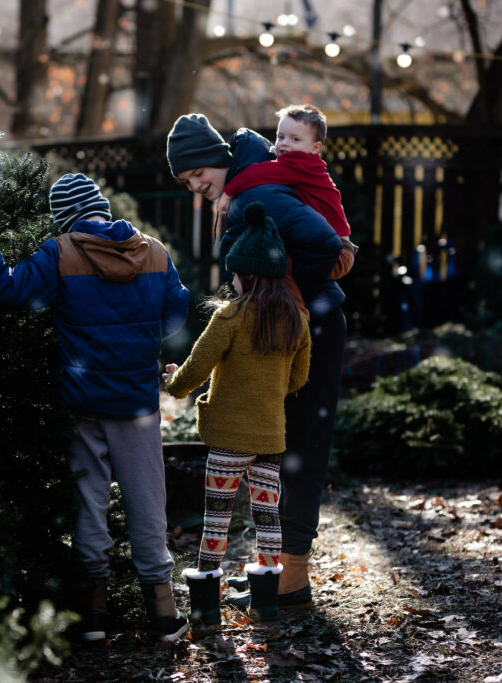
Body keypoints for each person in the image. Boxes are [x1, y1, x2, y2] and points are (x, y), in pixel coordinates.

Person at [0, 172, 191, 643]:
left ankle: (94, 615)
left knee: (89, 504)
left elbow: (7, 289)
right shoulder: (156, 253)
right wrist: (138, 344)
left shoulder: (59, 253)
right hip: (138, 405)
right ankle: (164, 613)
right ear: (102, 208)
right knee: (147, 504)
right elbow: (177, 314)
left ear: (65, 217)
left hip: (83, 407)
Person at [166, 113, 345, 612]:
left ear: (217, 157)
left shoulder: (253, 194)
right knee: (281, 450)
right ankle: (281, 574)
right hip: (297, 327)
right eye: (185, 181)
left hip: (312, 328)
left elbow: (325, 243)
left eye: (196, 172)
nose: (195, 185)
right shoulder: (245, 187)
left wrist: (293, 303)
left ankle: (293, 578)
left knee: (301, 446)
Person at [162, 201, 311, 628]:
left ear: (246, 272)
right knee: (268, 520)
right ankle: (266, 605)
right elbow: (298, 380)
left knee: (215, 521)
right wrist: (267, 388)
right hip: (270, 440)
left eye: (234, 271)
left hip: (227, 439)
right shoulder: (297, 319)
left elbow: (197, 366)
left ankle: (207, 610)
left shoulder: (228, 316)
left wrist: (173, 384)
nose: (230, 278)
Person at [214, 104, 358, 281]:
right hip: (334, 247)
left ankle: (294, 307)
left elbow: (258, 173)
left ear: (315, 148)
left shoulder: (300, 165)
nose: (284, 143)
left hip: (336, 252)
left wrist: (228, 192)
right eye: (280, 137)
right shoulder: (304, 166)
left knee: (281, 271)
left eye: (295, 139)